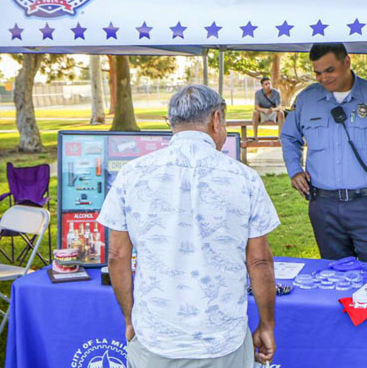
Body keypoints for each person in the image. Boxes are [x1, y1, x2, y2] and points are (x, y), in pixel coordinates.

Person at [99, 85, 280, 368]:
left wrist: (130, 317)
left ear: (171, 123)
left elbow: (117, 256)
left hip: (156, 337)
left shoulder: (132, 174)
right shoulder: (244, 179)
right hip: (222, 340)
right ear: (216, 120)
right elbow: (259, 261)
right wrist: (267, 324)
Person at [281, 43, 367, 263]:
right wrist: (294, 170)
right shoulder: (306, 100)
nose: (323, 78)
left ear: (347, 62)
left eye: (330, 70)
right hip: (324, 206)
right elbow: (289, 137)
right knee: (334, 276)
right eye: (317, 73)